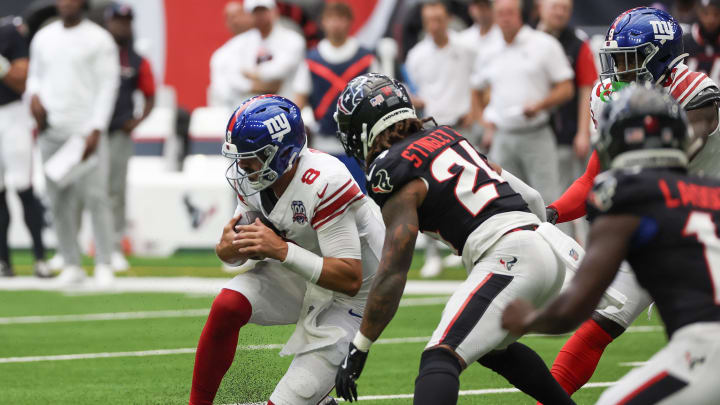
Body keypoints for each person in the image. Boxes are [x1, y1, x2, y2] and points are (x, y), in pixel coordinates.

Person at [333, 73, 574, 405]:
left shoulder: (390, 170)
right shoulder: (447, 137)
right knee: (493, 349)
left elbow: (394, 271)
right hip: (542, 249)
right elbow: (532, 197)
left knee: (439, 357)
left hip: (508, 257)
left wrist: (360, 346)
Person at [502, 84, 720, 405]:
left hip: (706, 346)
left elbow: (576, 305)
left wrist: (528, 319)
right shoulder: (710, 189)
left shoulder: (626, 192)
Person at [543, 7, 720, 401]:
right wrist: (549, 214)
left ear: (659, 57)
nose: (618, 71)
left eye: (629, 59)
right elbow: (592, 178)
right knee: (598, 325)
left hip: (708, 229)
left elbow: (667, 162)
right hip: (661, 225)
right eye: (615, 60)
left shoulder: (695, 92)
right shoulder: (613, 97)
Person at [188, 95, 383, 405]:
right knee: (227, 306)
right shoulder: (255, 178)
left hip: (355, 297)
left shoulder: (325, 181)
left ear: (281, 155)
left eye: (251, 156)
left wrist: (280, 250)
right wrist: (229, 250)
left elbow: (349, 278)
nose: (241, 166)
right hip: (306, 266)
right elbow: (246, 244)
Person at [27, 0, 119, 285]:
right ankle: (70, 263)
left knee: (95, 197)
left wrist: (97, 127)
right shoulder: (43, 36)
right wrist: (34, 96)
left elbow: (108, 84)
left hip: (84, 131)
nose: (66, 3)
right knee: (58, 201)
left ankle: (104, 262)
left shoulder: (99, 38)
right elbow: (35, 77)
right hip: (51, 129)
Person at [474, 0, 574, 205]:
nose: (505, 18)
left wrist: (540, 105)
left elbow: (566, 88)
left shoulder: (543, 44)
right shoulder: (488, 50)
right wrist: (483, 121)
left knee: (549, 201)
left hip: (536, 133)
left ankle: (557, 237)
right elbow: (475, 87)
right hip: (503, 135)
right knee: (504, 200)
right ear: (494, 16)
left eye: (510, 13)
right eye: (500, 13)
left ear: (520, 15)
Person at [404, 1, 476, 279]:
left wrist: (473, 110)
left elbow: (477, 83)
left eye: (438, 19)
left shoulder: (466, 48)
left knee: (468, 190)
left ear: (446, 20)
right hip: (431, 131)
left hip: (462, 128)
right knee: (432, 193)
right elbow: (413, 91)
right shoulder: (416, 54)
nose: (434, 25)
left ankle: (465, 248)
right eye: (429, 20)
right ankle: (434, 255)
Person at [293, 1, 377, 191]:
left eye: (341, 18)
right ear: (323, 22)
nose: (336, 24)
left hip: (360, 148)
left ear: (349, 22)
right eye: (331, 19)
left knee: (360, 199)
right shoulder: (311, 61)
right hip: (324, 146)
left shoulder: (366, 59)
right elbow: (299, 101)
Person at [537, 0, 597, 240]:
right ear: (541, 7)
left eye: (565, 8)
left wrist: (583, 132)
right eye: (555, 7)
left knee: (572, 193)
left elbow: (586, 88)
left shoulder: (577, 44)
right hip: (535, 132)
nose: (560, 12)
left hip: (566, 132)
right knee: (544, 194)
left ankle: (583, 248)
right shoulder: (527, 38)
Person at [104, 2, 155, 272]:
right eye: (117, 21)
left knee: (115, 192)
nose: (122, 26)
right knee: (79, 190)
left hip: (117, 133)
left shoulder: (136, 59)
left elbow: (150, 95)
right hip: (88, 132)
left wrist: (136, 121)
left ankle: (113, 246)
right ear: (107, 22)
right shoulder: (95, 53)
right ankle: (73, 246)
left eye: (126, 21)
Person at [0, 18, 49, 278]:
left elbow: (21, 81)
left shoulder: (9, 31)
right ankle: (3, 261)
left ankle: (40, 258)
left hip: (13, 116)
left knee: (23, 187)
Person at [207, 0, 305, 109]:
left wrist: (250, 74)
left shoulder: (293, 39)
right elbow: (233, 77)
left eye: (263, 10)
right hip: (250, 111)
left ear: (274, 11)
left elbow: (280, 71)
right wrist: (263, 86)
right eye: (255, 12)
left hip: (284, 109)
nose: (260, 16)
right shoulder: (239, 43)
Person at [208, 1, 253, 108]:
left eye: (239, 15)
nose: (235, 21)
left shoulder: (266, 42)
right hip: (235, 112)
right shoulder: (221, 55)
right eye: (230, 17)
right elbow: (222, 92)